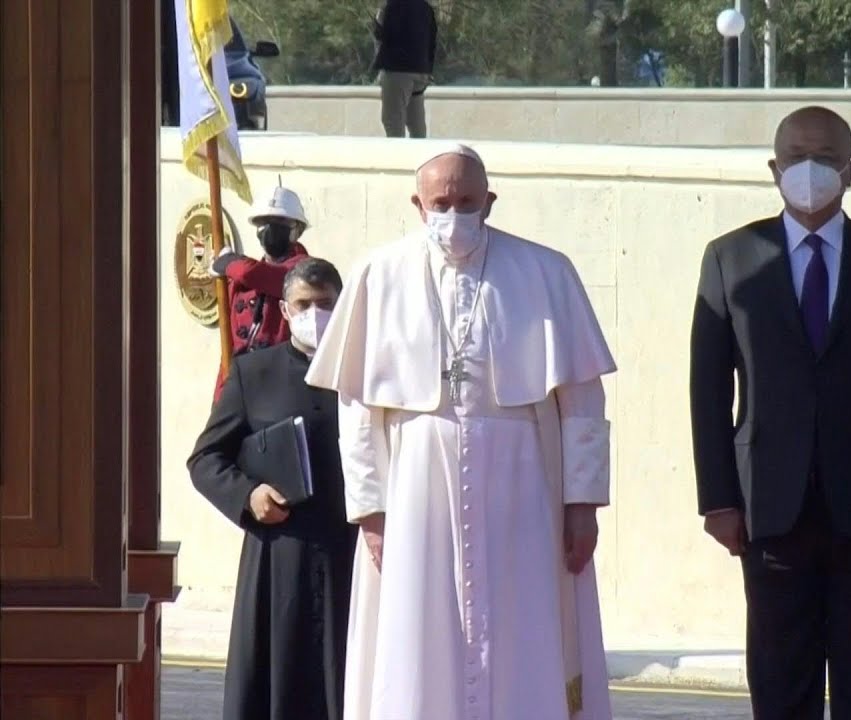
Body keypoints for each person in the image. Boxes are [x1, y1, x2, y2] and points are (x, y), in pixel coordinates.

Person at [306, 144, 616, 720]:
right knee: (418, 634)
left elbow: (582, 399)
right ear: (418, 205)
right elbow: (356, 404)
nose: (454, 214)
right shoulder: (379, 273)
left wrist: (583, 503)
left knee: (525, 630)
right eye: (441, 202)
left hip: (523, 487)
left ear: (489, 202)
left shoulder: (546, 271)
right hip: (414, 485)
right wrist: (371, 508)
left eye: (467, 201)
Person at [689, 106, 851, 720]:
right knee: (781, 686)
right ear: (774, 169)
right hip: (770, 512)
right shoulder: (731, 258)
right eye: (798, 159)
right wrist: (718, 500)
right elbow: (707, 389)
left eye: (827, 160)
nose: (812, 172)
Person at [188, 258, 358, 720]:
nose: (315, 315)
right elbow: (206, 459)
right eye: (304, 305)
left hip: (352, 555)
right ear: (285, 309)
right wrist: (248, 496)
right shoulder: (253, 374)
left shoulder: (366, 373)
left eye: (325, 304)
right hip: (278, 557)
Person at [209, 185, 312, 401]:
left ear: (297, 230)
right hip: (239, 386)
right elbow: (229, 343)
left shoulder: (304, 272)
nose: (270, 229)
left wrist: (227, 262)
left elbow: (259, 274)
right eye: (263, 222)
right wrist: (221, 397)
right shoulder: (239, 278)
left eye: (280, 223)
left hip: (279, 388)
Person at [372, 0, 438, 138]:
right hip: (420, 70)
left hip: (397, 71)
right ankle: (421, 155)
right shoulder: (426, 8)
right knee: (416, 123)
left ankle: (397, 157)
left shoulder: (392, 6)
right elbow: (432, 41)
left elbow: (382, 35)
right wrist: (428, 70)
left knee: (393, 121)